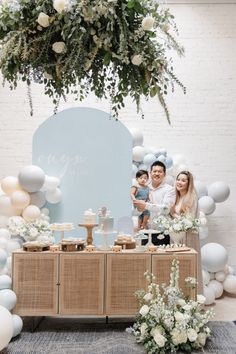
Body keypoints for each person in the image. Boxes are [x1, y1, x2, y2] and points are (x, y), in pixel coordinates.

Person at [170, 170, 203, 294]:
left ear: (189, 183)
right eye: (178, 179)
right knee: (178, 269)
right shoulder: (177, 197)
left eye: (183, 180)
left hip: (189, 237)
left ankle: (193, 297)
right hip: (177, 237)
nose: (180, 182)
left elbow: (189, 221)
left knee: (189, 267)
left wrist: (173, 214)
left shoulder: (191, 197)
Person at [133, 161, 175, 245]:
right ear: (150, 173)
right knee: (145, 257)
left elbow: (166, 209)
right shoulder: (143, 188)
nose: (157, 173)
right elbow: (137, 210)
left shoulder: (169, 189)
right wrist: (139, 209)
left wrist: (146, 205)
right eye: (154, 171)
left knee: (161, 258)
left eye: (160, 171)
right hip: (145, 231)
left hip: (162, 233)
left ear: (164, 174)